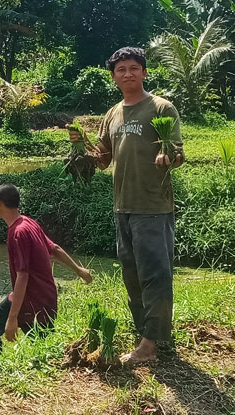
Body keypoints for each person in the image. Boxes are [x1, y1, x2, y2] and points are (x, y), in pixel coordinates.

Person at [76, 46, 185, 364]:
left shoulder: (162, 108)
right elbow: (103, 159)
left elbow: (178, 153)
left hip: (152, 205)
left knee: (156, 274)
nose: (128, 73)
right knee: (132, 275)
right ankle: (148, 334)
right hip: (121, 207)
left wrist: (169, 157)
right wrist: (82, 146)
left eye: (134, 68)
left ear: (144, 72)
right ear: (113, 77)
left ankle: (150, 345)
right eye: (121, 69)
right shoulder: (113, 114)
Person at [0, 184, 92, 359]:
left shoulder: (18, 233)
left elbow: (23, 275)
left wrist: (12, 317)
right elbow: (54, 248)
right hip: (43, 297)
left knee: (44, 352)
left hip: (33, 302)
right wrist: (79, 270)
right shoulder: (28, 222)